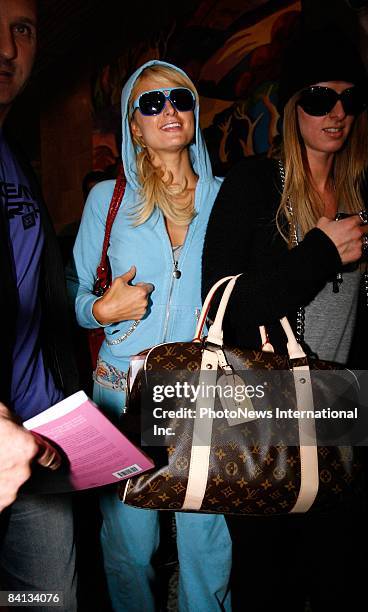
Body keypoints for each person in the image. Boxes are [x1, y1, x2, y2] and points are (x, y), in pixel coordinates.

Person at [202, 28, 368, 611]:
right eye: (320, 99)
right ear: (291, 106)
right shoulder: (254, 184)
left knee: (339, 575)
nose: (337, 114)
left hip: (346, 415)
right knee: (268, 583)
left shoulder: (362, 193)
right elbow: (226, 303)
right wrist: (321, 254)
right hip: (265, 419)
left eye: (350, 100)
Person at [69, 60, 231, 612]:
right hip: (123, 392)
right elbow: (71, 297)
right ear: (132, 124)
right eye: (151, 103)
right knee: (130, 549)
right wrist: (100, 307)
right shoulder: (105, 203)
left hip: (205, 392)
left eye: (180, 99)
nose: (168, 110)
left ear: (195, 112)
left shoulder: (229, 199)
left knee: (206, 548)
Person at [0, 0, 78, 607]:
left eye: (21, 31)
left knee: (43, 600)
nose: (6, 48)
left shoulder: (13, 156)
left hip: (44, 440)